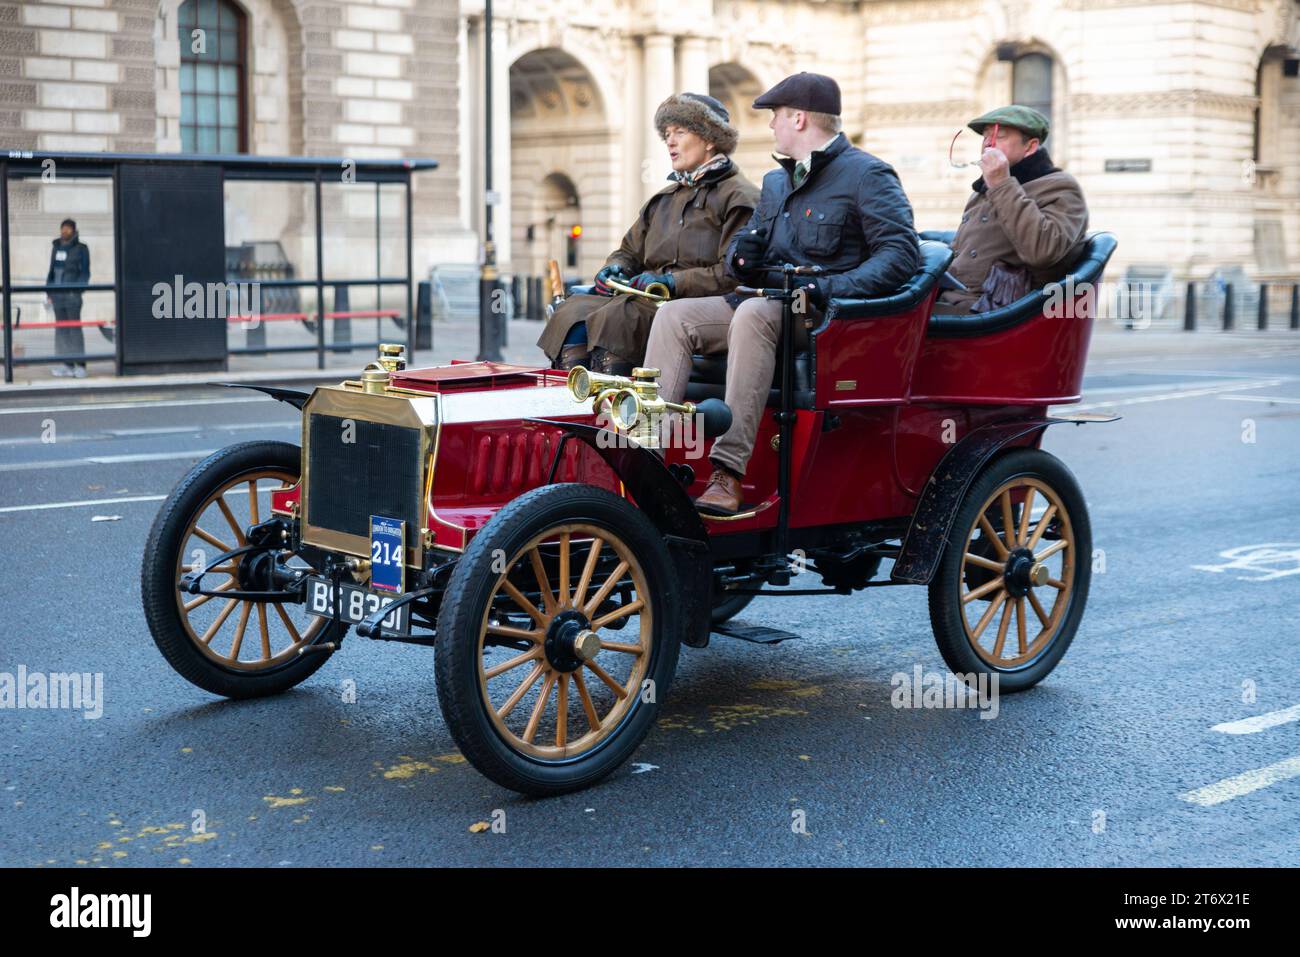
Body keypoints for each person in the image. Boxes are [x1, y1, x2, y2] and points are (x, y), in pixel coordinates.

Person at [643, 72, 920, 514]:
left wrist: (827, 287)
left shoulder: (868, 174)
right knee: (675, 315)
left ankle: (727, 473)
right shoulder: (776, 181)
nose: (771, 126)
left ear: (799, 117)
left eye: (775, 116)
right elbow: (748, 243)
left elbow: (900, 256)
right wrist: (742, 256)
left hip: (824, 316)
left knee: (753, 314)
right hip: (766, 300)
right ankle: (646, 460)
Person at [537, 92, 759, 375]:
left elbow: (733, 274)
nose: (670, 141)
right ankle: (571, 406)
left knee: (618, 317)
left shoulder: (740, 197)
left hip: (685, 303)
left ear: (710, 138)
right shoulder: (663, 199)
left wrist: (672, 281)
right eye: (667, 133)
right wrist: (614, 268)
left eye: (680, 131)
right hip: (642, 299)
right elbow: (628, 250)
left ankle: (614, 411)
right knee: (573, 311)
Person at [933, 105, 1089, 314]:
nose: (988, 142)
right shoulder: (983, 190)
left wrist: (1002, 184)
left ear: (1030, 146)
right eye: (985, 136)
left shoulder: (1060, 186)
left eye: (1000, 136)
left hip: (998, 311)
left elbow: (1043, 251)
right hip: (953, 299)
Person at [47, 218, 91, 378]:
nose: (64, 231)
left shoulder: (81, 249)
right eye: (62, 229)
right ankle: (66, 364)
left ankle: (80, 365)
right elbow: (51, 271)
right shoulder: (56, 247)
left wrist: (78, 290)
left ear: (73, 230)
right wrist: (49, 293)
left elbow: (85, 273)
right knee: (61, 331)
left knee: (74, 330)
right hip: (57, 296)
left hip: (72, 296)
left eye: (67, 229)